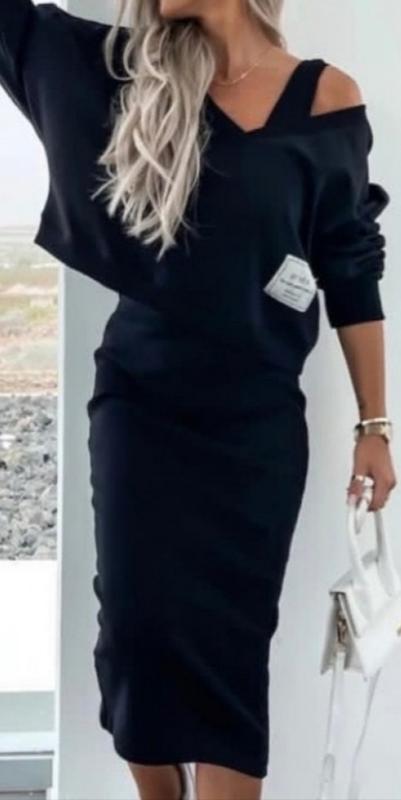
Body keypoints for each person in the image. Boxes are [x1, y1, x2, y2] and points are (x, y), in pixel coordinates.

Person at [1, 1, 397, 798]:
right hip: (140, 405)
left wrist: (374, 423)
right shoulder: (123, 74)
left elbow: (349, 268)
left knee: (228, 650)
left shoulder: (325, 97)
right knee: (133, 637)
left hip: (254, 427)